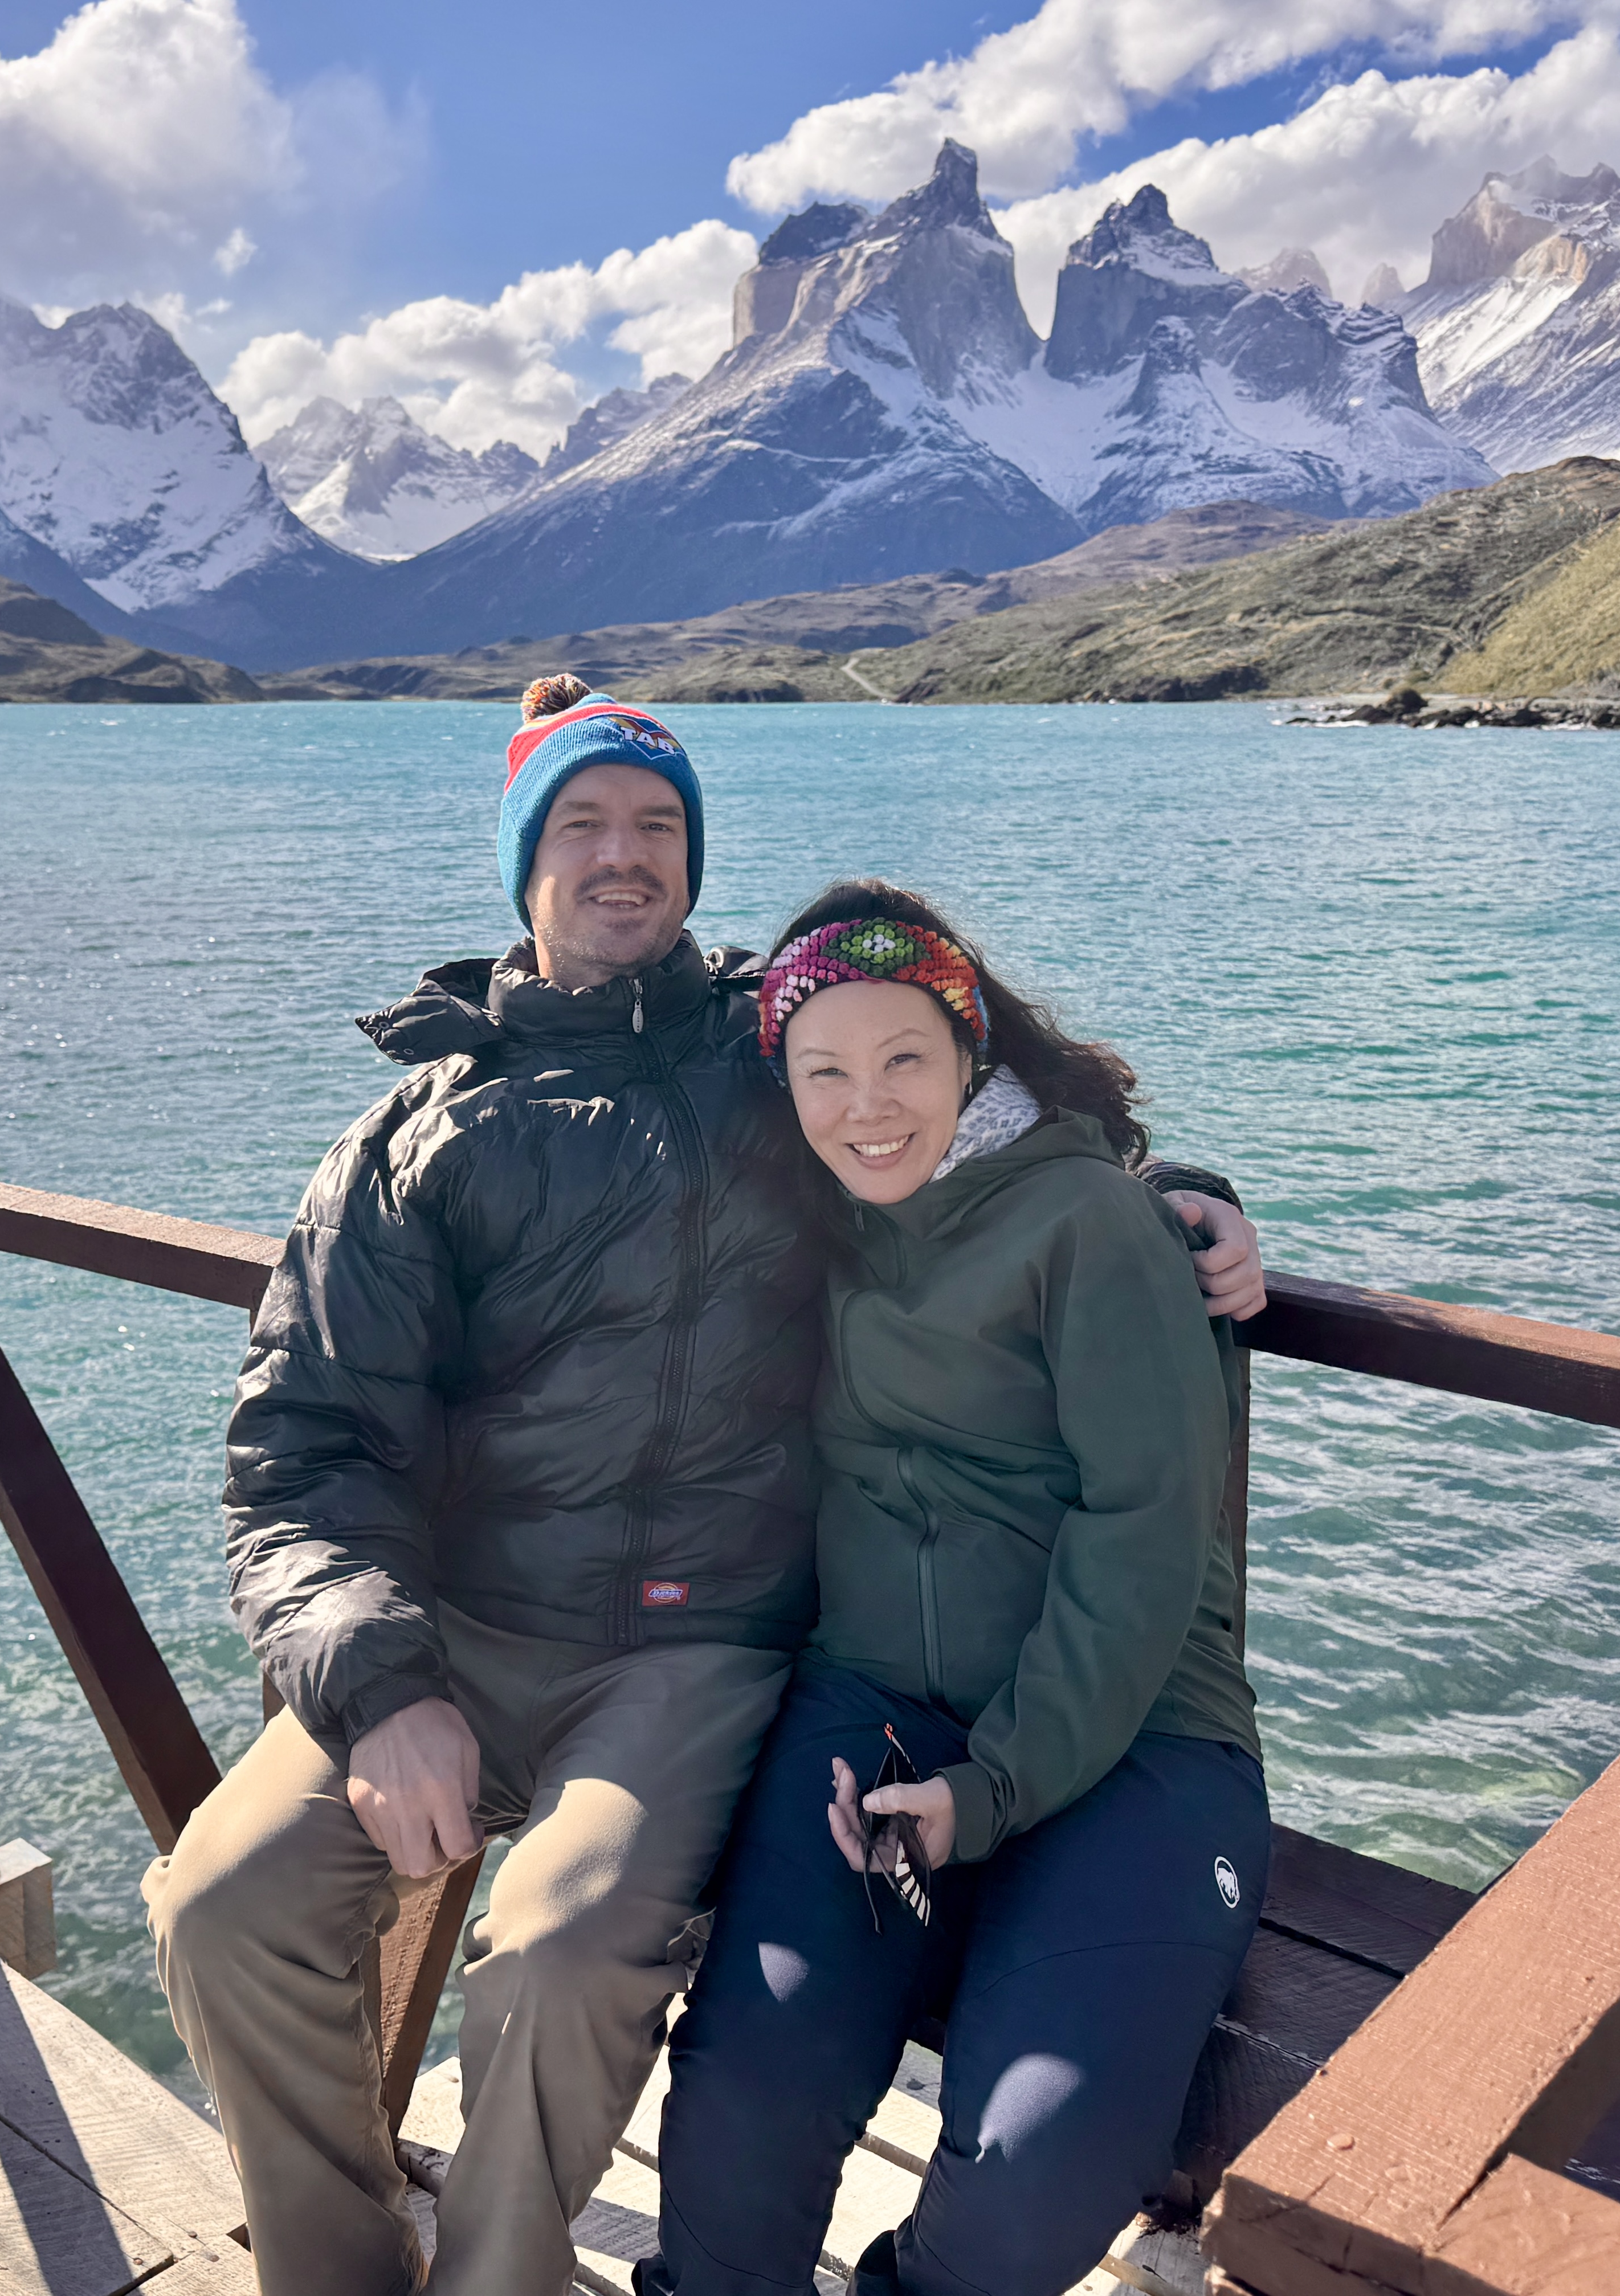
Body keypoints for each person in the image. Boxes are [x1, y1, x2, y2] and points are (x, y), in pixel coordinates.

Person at [144, 681, 1265, 2296]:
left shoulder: (763, 1053)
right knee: (217, 1901)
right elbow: (298, 1446)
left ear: (691, 856)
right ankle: (338, 2270)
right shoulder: (409, 1137)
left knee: (560, 1946)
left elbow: (979, 1119)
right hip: (455, 1632)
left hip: (694, 1644)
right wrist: (379, 1682)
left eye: (656, 823)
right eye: (581, 822)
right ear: (521, 859)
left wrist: (1180, 1198)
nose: (622, 853)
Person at [638, 883, 1264, 2296]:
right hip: (874, 1710)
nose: (867, 1104)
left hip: (1137, 1740)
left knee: (1035, 2165)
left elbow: (1141, 1534)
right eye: (824, 1070)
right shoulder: (805, 1214)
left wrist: (988, 1789)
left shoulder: (1092, 1227)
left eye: (904, 1057)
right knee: (743, 2094)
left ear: (972, 1053)